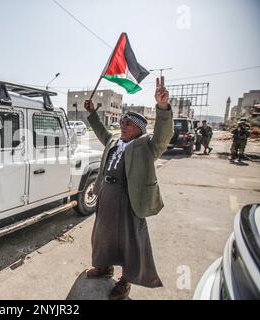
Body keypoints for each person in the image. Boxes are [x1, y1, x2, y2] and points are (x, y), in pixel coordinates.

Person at [83, 76, 173, 300]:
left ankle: (126, 281)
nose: (122, 126)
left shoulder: (146, 147)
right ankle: (104, 268)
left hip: (131, 201)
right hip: (107, 197)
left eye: (128, 124)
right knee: (103, 236)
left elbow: (163, 136)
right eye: (122, 122)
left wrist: (162, 106)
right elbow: (103, 133)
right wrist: (93, 114)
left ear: (139, 129)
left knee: (130, 242)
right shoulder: (115, 142)